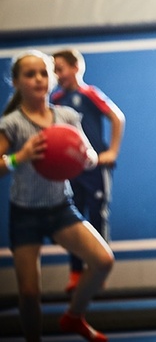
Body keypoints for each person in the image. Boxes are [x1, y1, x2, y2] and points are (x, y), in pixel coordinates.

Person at [1, 50, 114, 342]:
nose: (38, 79)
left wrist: (87, 158)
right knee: (28, 293)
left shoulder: (65, 116)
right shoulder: (12, 123)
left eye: (43, 73)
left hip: (60, 208)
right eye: (30, 74)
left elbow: (86, 154)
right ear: (15, 82)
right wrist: (20, 157)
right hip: (25, 214)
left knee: (103, 261)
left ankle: (74, 317)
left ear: (51, 79)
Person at [51, 49, 126, 294]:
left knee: (96, 215)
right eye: (54, 70)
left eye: (60, 68)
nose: (57, 74)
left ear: (75, 68)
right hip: (72, 170)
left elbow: (117, 117)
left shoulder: (89, 94)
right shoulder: (57, 100)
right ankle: (75, 273)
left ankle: (97, 272)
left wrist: (111, 151)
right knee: (74, 220)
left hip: (95, 168)